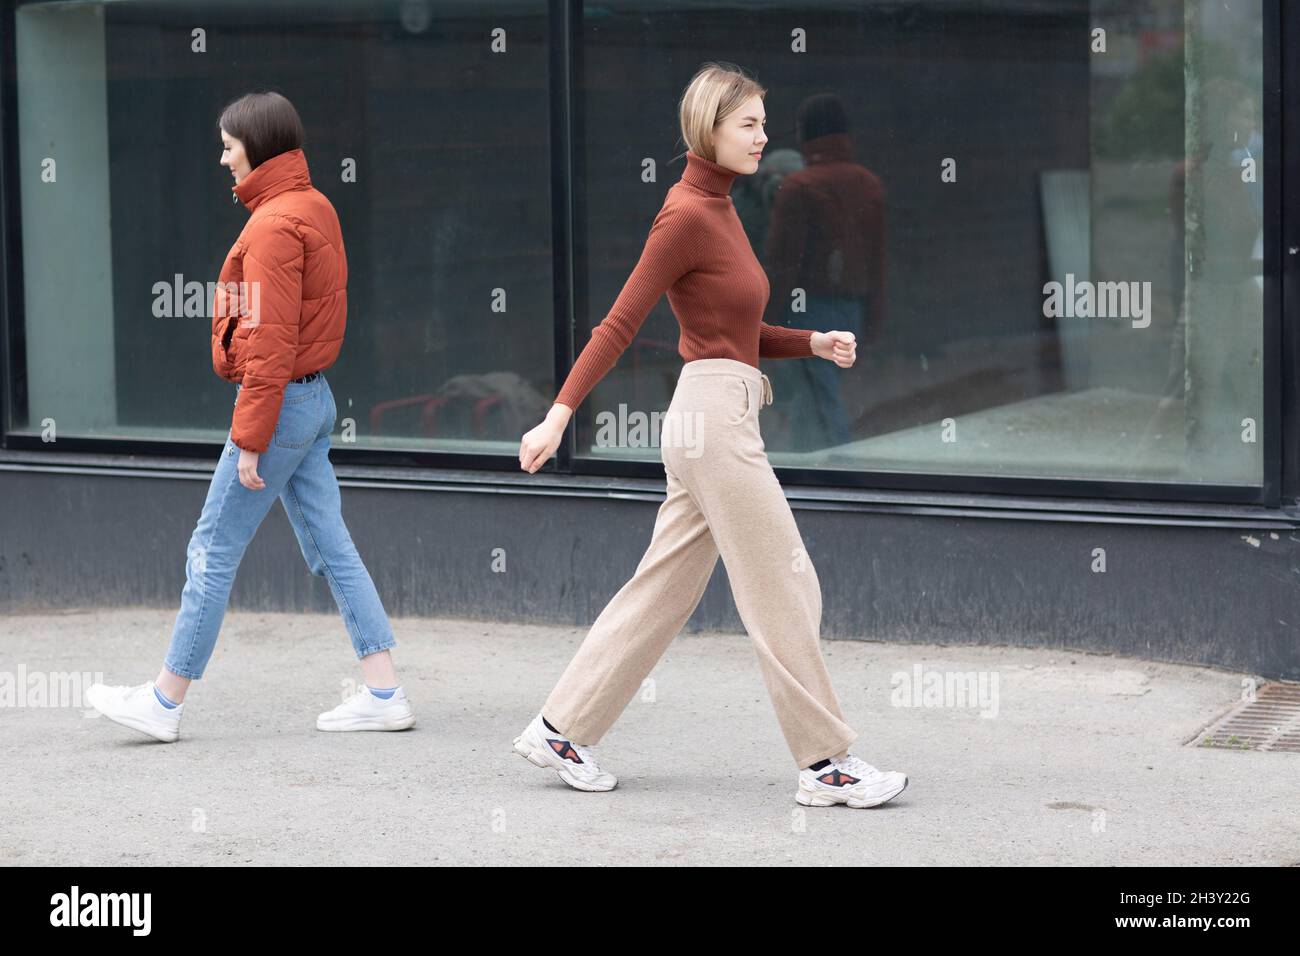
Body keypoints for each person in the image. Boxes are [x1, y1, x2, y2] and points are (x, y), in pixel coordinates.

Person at [514, 62, 907, 809]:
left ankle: (561, 727)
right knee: (784, 580)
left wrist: (812, 342)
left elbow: (734, 330)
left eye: (765, 122)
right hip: (715, 424)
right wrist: (559, 414)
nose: (764, 137)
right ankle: (825, 764)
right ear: (709, 128)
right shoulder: (687, 213)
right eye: (749, 124)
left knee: (661, 590)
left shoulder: (718, 208)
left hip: (711, 411)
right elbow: (620, 323)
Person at [86, 91, 413, 741]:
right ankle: (384, 691)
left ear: (257, 148)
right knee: (330, 545)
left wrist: (251, 441)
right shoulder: (314, 206)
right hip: (314, 399)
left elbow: (269, 344)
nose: (222, 158)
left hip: (282, 404)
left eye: (229, 146)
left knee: (212, 548)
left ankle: (165, 702)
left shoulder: (271, 225)